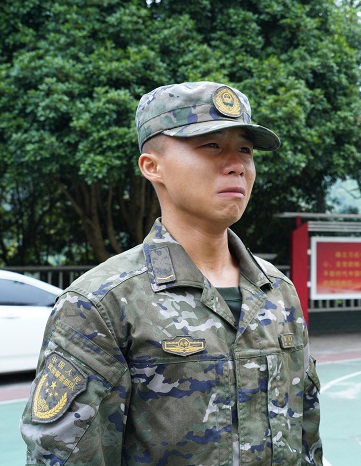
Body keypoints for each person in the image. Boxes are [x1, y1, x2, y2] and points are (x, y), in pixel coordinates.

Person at [20, 82, 322, 465]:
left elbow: (307, 433)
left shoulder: (278, 292)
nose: (236, 164)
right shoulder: (103, 304)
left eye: (244, 149)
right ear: (152, 166)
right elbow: (63, 456)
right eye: (211, 145)